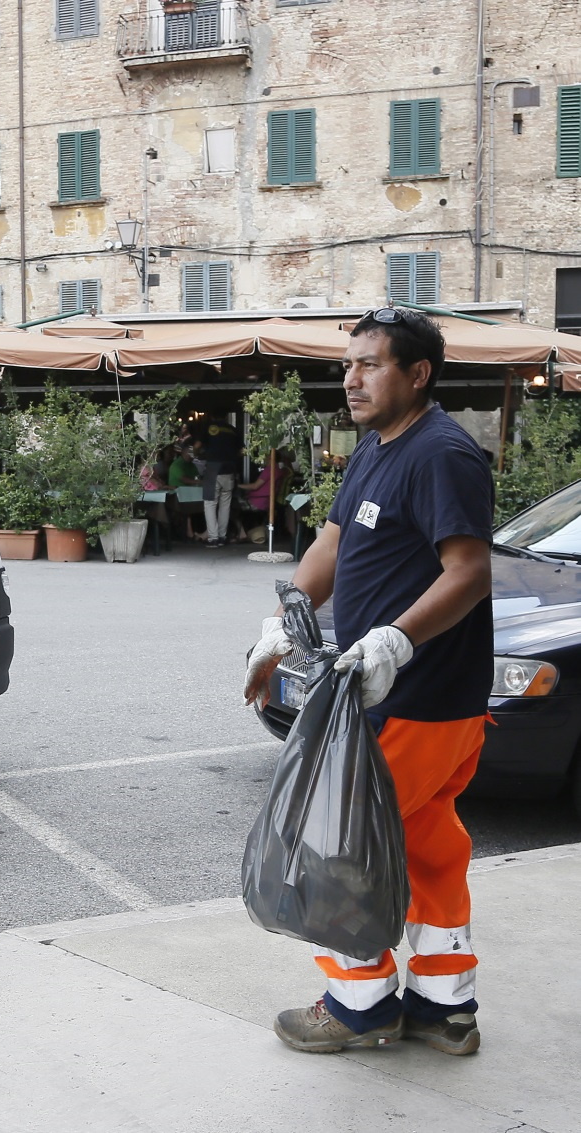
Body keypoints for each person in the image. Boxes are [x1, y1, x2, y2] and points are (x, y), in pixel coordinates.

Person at [243, 307, 493, 1057]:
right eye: (348, 364)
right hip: (411, 700)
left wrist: (394, 638)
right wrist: (285, 620)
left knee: (339, 846)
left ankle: (357, 1004)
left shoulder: (442, 453)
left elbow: (470, 571)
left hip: (411, 698)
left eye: (370, 364)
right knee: (428, 846)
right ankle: (444, 1004)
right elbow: (336, 538)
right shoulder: (376, 449)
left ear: (417, 374)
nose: (351, 378)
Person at [199, 414, 241, 547]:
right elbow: (242, 451)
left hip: (212, 469)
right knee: (225, 504)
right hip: (229, 469)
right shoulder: (233, 430)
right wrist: (231, 457)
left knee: (210, 504)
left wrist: (198, 454)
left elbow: (197, 445)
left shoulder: (208, 427)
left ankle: (213, 538)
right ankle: (222, 537)